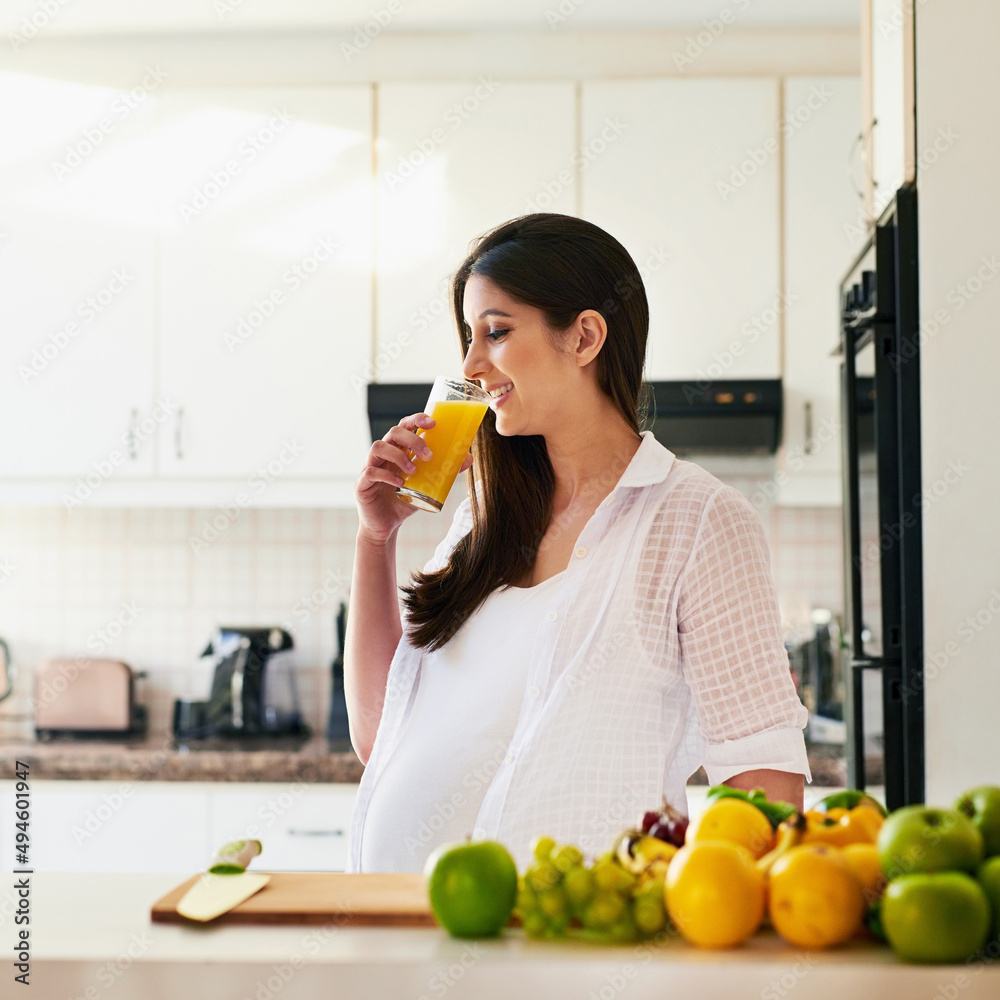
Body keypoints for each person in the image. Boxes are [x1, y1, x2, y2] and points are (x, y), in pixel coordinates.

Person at [345, 213, 809, 873]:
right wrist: (376, 536)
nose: (472, 367)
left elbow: (765, 780)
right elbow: (378, 736)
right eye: (468, 340)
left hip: (572, 958)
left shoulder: (697, 520)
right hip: (397, 947)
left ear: (586, 336)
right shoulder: (481, 517)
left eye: (496, 333)